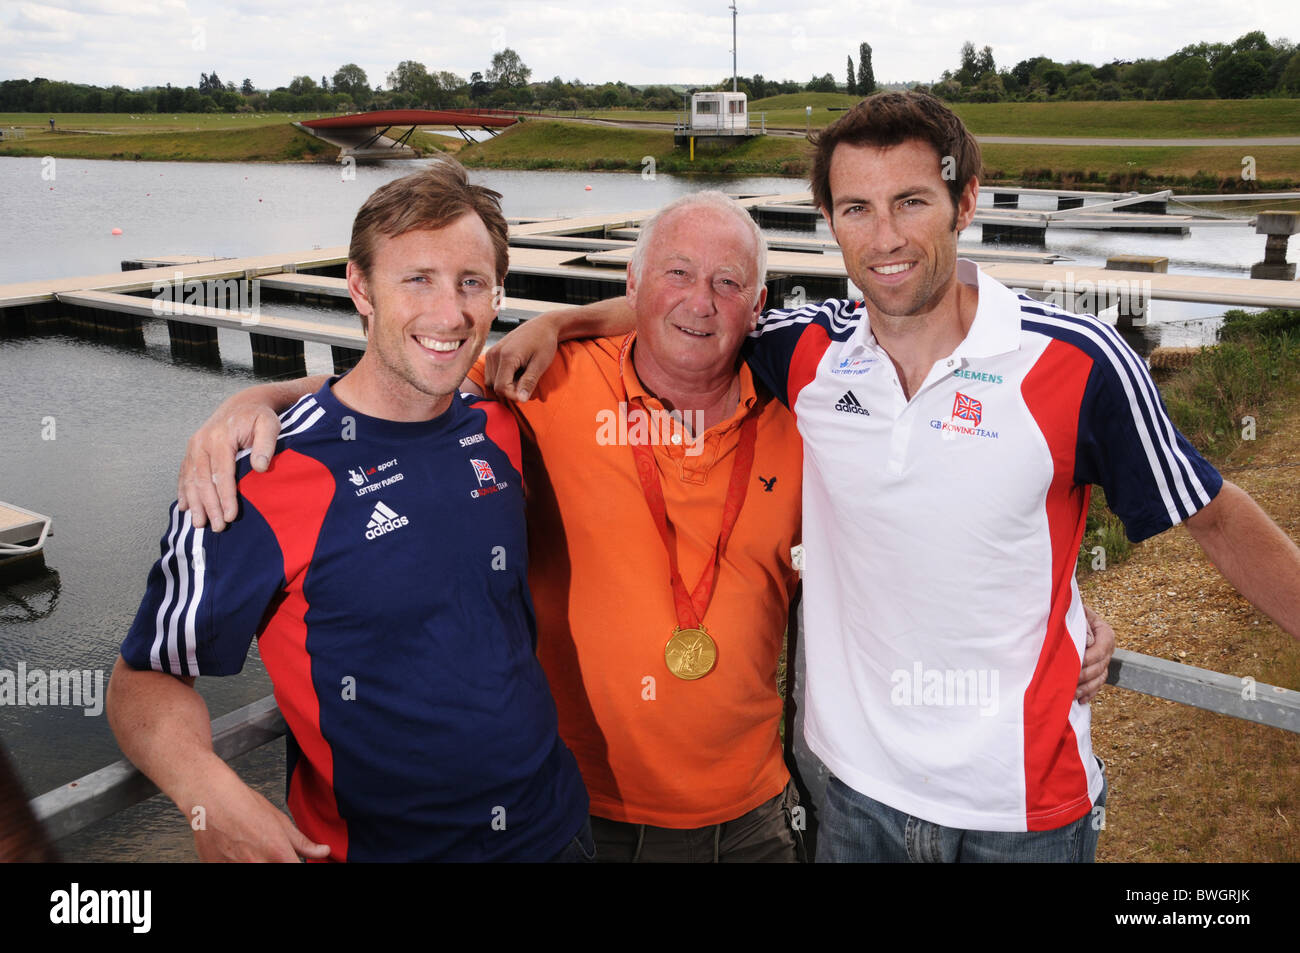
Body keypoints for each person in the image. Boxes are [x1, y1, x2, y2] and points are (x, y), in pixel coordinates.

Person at [176, 188, 1115, 862]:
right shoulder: (540, 384)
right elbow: (402, 382)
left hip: (756, 814)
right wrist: (255, 400)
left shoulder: (812, 410)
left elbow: (924, 523)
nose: (700, 303)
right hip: (579, 815)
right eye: (675, 275)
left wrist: (1063, 612)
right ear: (635, 283)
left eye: (728, 283)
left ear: (759, 304)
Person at [485, 91, 1300, 862]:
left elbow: (1218, 517)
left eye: (911, 201)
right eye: (856, 209)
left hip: (1020, 811)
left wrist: (1070, 612)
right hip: (855, 796)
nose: (885, 238)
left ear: (964, 201)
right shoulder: (810, 353)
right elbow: (699, 312)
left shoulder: (1078, 363)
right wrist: (562, 320)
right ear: (831, 221)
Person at [107, 160, 590, 862]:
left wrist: (566, 318)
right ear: (360, 288)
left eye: (471, 283)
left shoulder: (500, 418)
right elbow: (144, 676)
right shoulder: (257, 478)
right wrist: (206, 790)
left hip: (558, 830)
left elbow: (678, 307)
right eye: (417, 279)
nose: (450, 314)